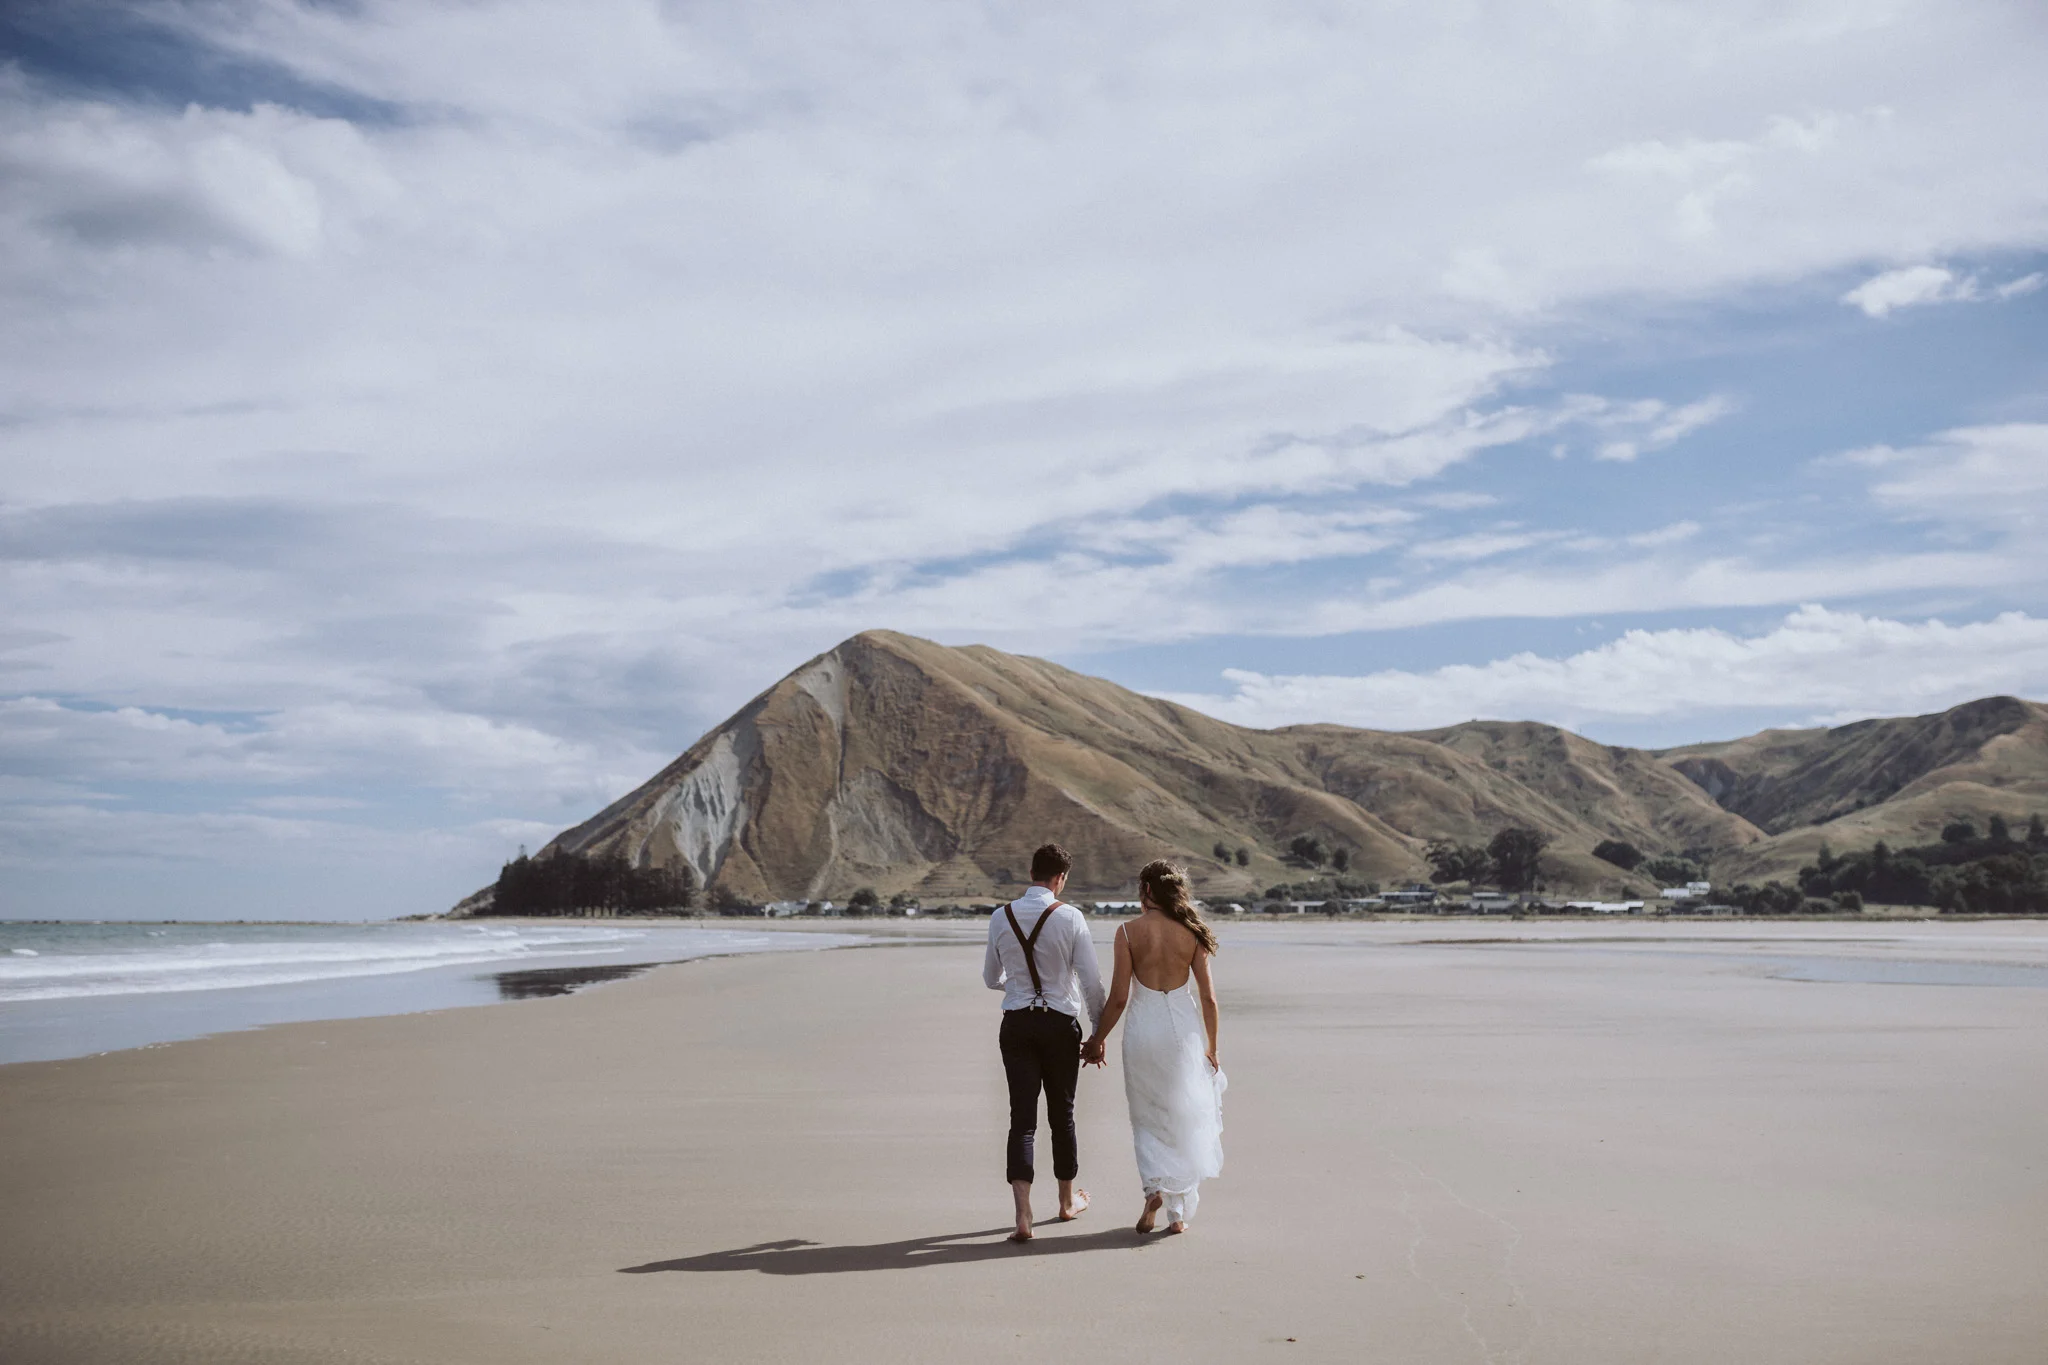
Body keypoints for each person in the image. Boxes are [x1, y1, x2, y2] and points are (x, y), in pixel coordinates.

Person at [1082, 859, 1224, 1235]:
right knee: (1182, 1113)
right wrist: (1213, 1047)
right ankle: (1177, 1215)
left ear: (1147, 890)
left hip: (1143, 1032)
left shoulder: (1128, 932)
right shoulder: (1192, 932)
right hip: (1183, 1032)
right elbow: (1208, 999)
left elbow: (1118, 998)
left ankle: (1153, 1189)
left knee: (1146, 1116)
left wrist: (1097, 1040)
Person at [984, 842, 1106, 1242]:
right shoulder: (1070, 917)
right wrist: (1098, 1032)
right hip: (1058, 1025)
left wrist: (1017, 987)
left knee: (1022, 1120)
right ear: (1061, 878)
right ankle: (1066, 1203)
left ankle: (1023, 1215)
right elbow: (1090, 982)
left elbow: (990, 978)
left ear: (1031, 873)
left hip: (1017, 1023)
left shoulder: (1001, 916)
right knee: (1062, 1116)